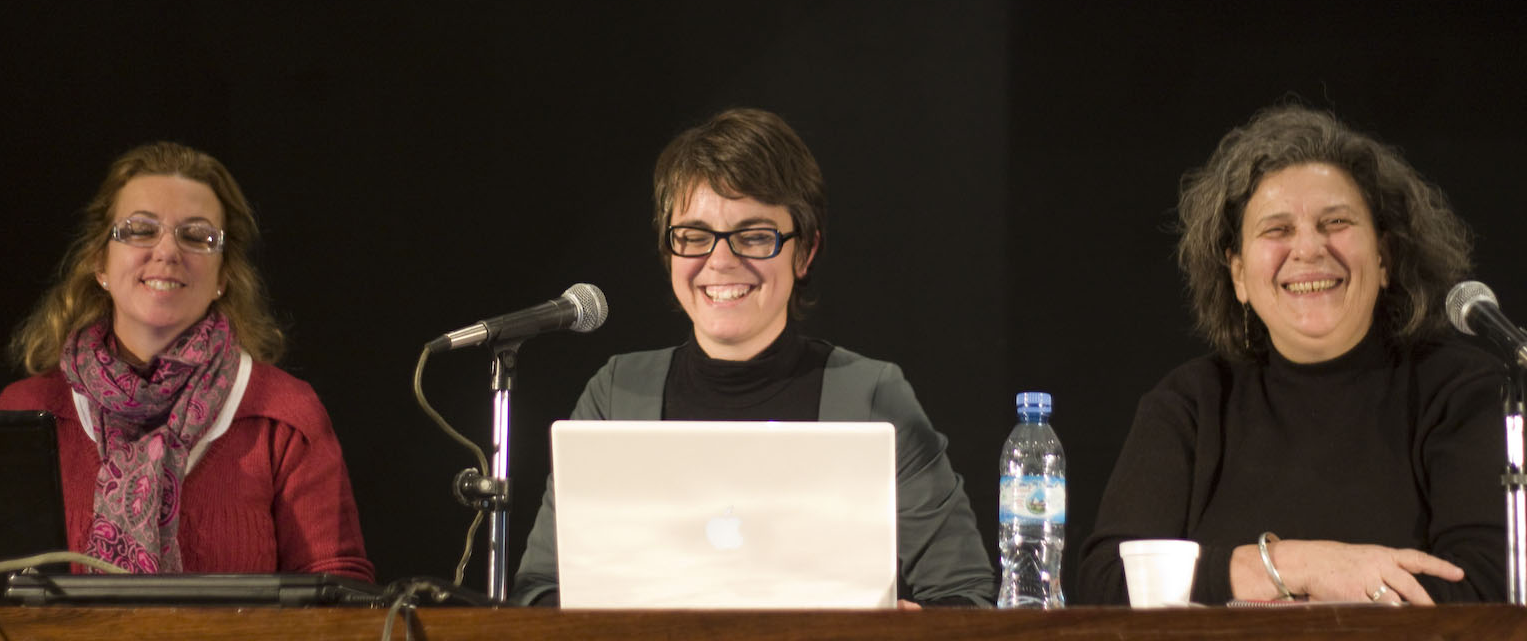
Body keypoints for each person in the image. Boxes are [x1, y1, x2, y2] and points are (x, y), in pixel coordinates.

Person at [510, 107, 995, 607]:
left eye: (755, 236)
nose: (720, 260)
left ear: (804, 252)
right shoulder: (617, 394)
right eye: (694, 236)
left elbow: (965, 596)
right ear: (669, 251)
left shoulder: (871, 396)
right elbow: (540, 592)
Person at [1076, 105, 1506, 605]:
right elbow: (1108, 583)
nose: (1308, 249)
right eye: (1277, 230)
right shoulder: (1189, 405)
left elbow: (1487, 588)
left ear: (1384, 257)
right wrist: (1295, 566)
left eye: (1336, 222)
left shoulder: (1462, 392)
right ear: (1238, 276)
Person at [0, 141, 374, 580]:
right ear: (100, 263)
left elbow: (339, 590)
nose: (168, 252)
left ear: (223, 276)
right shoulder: (29, 410)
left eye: (196, 237)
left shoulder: (285, 417)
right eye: (140, 230)